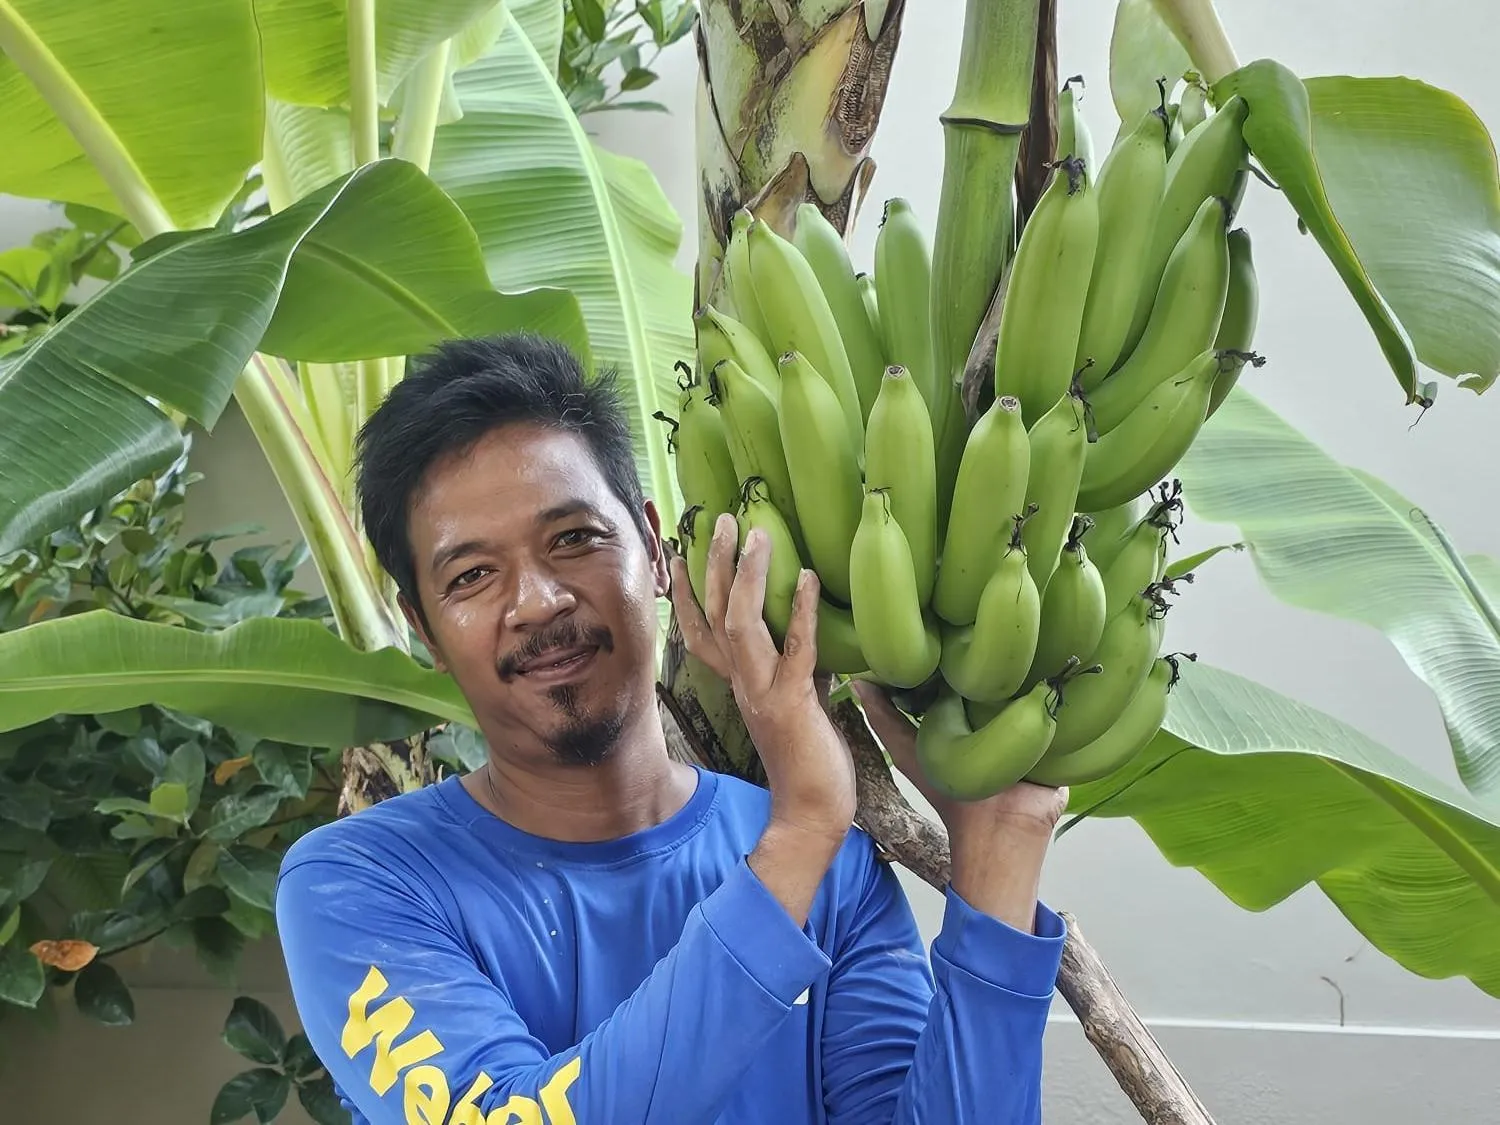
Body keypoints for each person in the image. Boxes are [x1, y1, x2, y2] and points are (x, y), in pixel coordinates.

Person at [274, 333, 1069, 1125]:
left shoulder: (836, 874)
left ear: (655, 547)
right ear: (423, 627)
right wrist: (798, 836)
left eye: (574, 538)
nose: (540, 601)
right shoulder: (356, 885)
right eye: (472, 575)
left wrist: (998, 864)